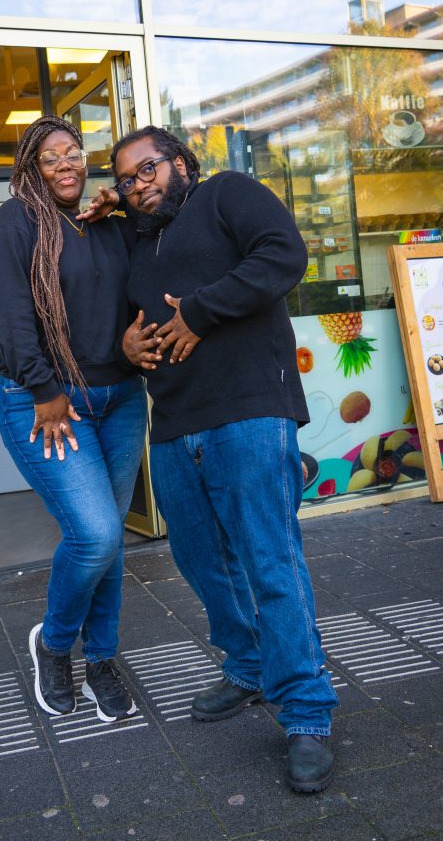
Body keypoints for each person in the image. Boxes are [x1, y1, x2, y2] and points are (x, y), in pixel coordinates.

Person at [112, 126, 339, 793]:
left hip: (249, 409)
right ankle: (248, 664)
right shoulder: (137, 241)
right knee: (198, 559)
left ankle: (306, 712)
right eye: (125, 179)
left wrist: (201, 312)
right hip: (173, 420)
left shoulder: (227, 193)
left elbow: (283, 255)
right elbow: (128, 319)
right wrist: (127, 347)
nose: (138, 185)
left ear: (182, 161)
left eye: (148, 168)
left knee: (269, 560)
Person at [0, 116, 147, 723]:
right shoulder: (15, 224)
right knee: (95, 534)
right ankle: (53, 644)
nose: (65, 164)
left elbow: (161, 240)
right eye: (50, 157)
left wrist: (123, 203)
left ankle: (101, 658)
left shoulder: (104, 224)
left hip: (119, 399)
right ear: (31, 168)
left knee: (111, 541)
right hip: (47, 404)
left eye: (72, 152)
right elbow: (8, 316)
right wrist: (45, 388)